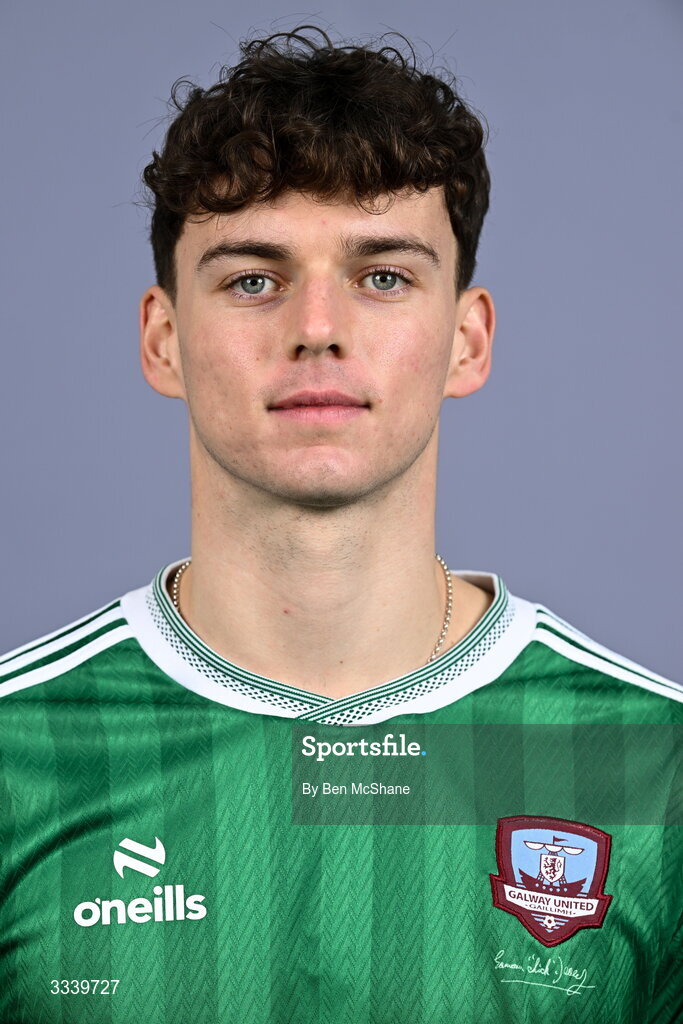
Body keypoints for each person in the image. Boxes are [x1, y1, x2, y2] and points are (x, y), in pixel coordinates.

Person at [0, 24, 680, 1024]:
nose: (316, 325)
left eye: (383, 276)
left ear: (465, 339)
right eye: (251, 278)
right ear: (162, 340)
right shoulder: (16, 751)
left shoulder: (654, 766)